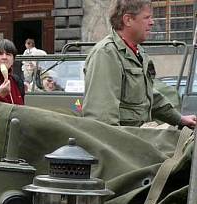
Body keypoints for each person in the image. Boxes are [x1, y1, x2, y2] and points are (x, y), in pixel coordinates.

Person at [82, 0, 196, 128]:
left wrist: (179, 119)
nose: (152, 22)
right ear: (128, 20)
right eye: (147, 17)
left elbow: (149, 96)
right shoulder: (106, 54)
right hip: (123, 143)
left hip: (139, 137)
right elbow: (102, 119)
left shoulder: (137, 52)